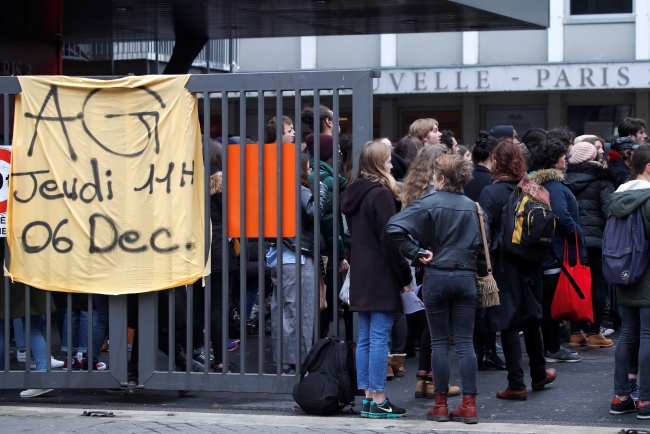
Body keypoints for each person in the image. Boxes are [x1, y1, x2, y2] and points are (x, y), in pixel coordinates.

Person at [387, 154, 486, 424]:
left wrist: (417, 252)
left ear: (441, 178)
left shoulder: (427, 203)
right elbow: (485, 247)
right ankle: (469, 405)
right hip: (466, 277)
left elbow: (394, 227)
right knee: (466, 343)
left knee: (439, 342)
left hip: (437, 276)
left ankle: (440, 405)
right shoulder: (474, 207)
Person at [340, 140, 413, 418]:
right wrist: (405, 275)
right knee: (380, 338)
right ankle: (380, 399)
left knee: (367, 338)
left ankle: (370, 398)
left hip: (361, 272)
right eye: (387, 160)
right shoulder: (381, 195)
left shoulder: (355, 193)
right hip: (381, 274)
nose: (392, 165)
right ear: (377, 163)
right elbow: (389, 239)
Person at [479, 141, 556, 401]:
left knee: (509, 321)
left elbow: (485, 233)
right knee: (532, 317)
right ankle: (538, 373)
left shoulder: (490, 194)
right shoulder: (532, 189)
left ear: (496, 163)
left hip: (504, 264)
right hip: (532, 261)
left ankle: (516, 384)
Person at [399, 145, 461, 399]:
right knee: (438, 325)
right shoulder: (437, 194)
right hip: (438, 260)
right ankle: (431, 380)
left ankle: (424, 378)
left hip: (420, 261)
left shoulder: (412, 192)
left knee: (431, 324)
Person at [529, 137, 587, 363]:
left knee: (547, 302)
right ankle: (552, 348)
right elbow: (562, 217)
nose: (567, 159)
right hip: (556, 254)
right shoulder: (555, 186)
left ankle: (549, 347)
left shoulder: (541, 184)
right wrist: (578, 233)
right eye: (564, 156)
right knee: (551, 304)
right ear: (554, 161)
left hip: (548, 252)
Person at [269, 154, 328, 374]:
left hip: (280, 257)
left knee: (282, 311)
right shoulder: (301, 190)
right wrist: (321, 192)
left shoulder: (278, 189)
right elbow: (314, 214)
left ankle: (285, 359)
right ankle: (301, 361)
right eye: (308, 168)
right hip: (298, 258)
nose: (311, 172)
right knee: (301, 311)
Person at [608, 144, 650, 420]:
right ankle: (646, 399)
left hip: (622, 272)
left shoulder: (617, 197)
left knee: (627, 334)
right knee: (648, 335)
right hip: (647, 274)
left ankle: (621, 396)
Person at [301, 106, 349, 337]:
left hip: (316, 251)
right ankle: (320, 351)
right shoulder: (327, 179)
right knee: (326, 305)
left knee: (318, 305)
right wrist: (341, 256)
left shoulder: (314, 174)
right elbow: (331, 224)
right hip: (327, 253)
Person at [564, 142, 615, 349]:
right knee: (597, 284)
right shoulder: (602, 178)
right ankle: (595, 331)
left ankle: (576, 332)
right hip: (596, 239)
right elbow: (609, 210)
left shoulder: (566, 178)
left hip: (573, 238)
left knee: (577, 282)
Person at [463, 133, 505, 371]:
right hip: (489, 250)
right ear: (493, 157)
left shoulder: (464, 180)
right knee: (489, 302)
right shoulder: (493, 184)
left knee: (471, 304)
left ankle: (475, 350)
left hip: (463, 247)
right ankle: (487, 350)